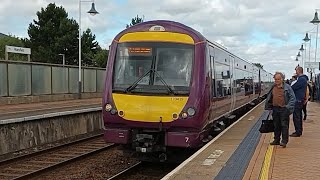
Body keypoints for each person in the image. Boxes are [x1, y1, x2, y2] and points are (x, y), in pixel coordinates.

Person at [265, 72, 296, 148]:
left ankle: (284, 141)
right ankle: (276, 140)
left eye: (278, 79)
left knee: (284, 125)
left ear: (282, 79)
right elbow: (269, 97)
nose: (277, 81)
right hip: (275, 109)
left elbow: (293, 98)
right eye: (275, 79)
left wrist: (287, 107)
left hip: (284, 109)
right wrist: (269, 106)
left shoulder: (287, 87)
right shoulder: (273, 87)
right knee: (276, 125)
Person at [290, 66, 308, 137]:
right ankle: (299, 131)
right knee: (299, 116)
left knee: (296, 116)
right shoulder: (303, 79)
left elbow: (293, 87)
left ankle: (298, 131)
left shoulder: (301, 79)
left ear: (299, 71)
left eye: (296, 70)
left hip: (298, 100)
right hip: (300, 100)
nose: (295, 72)